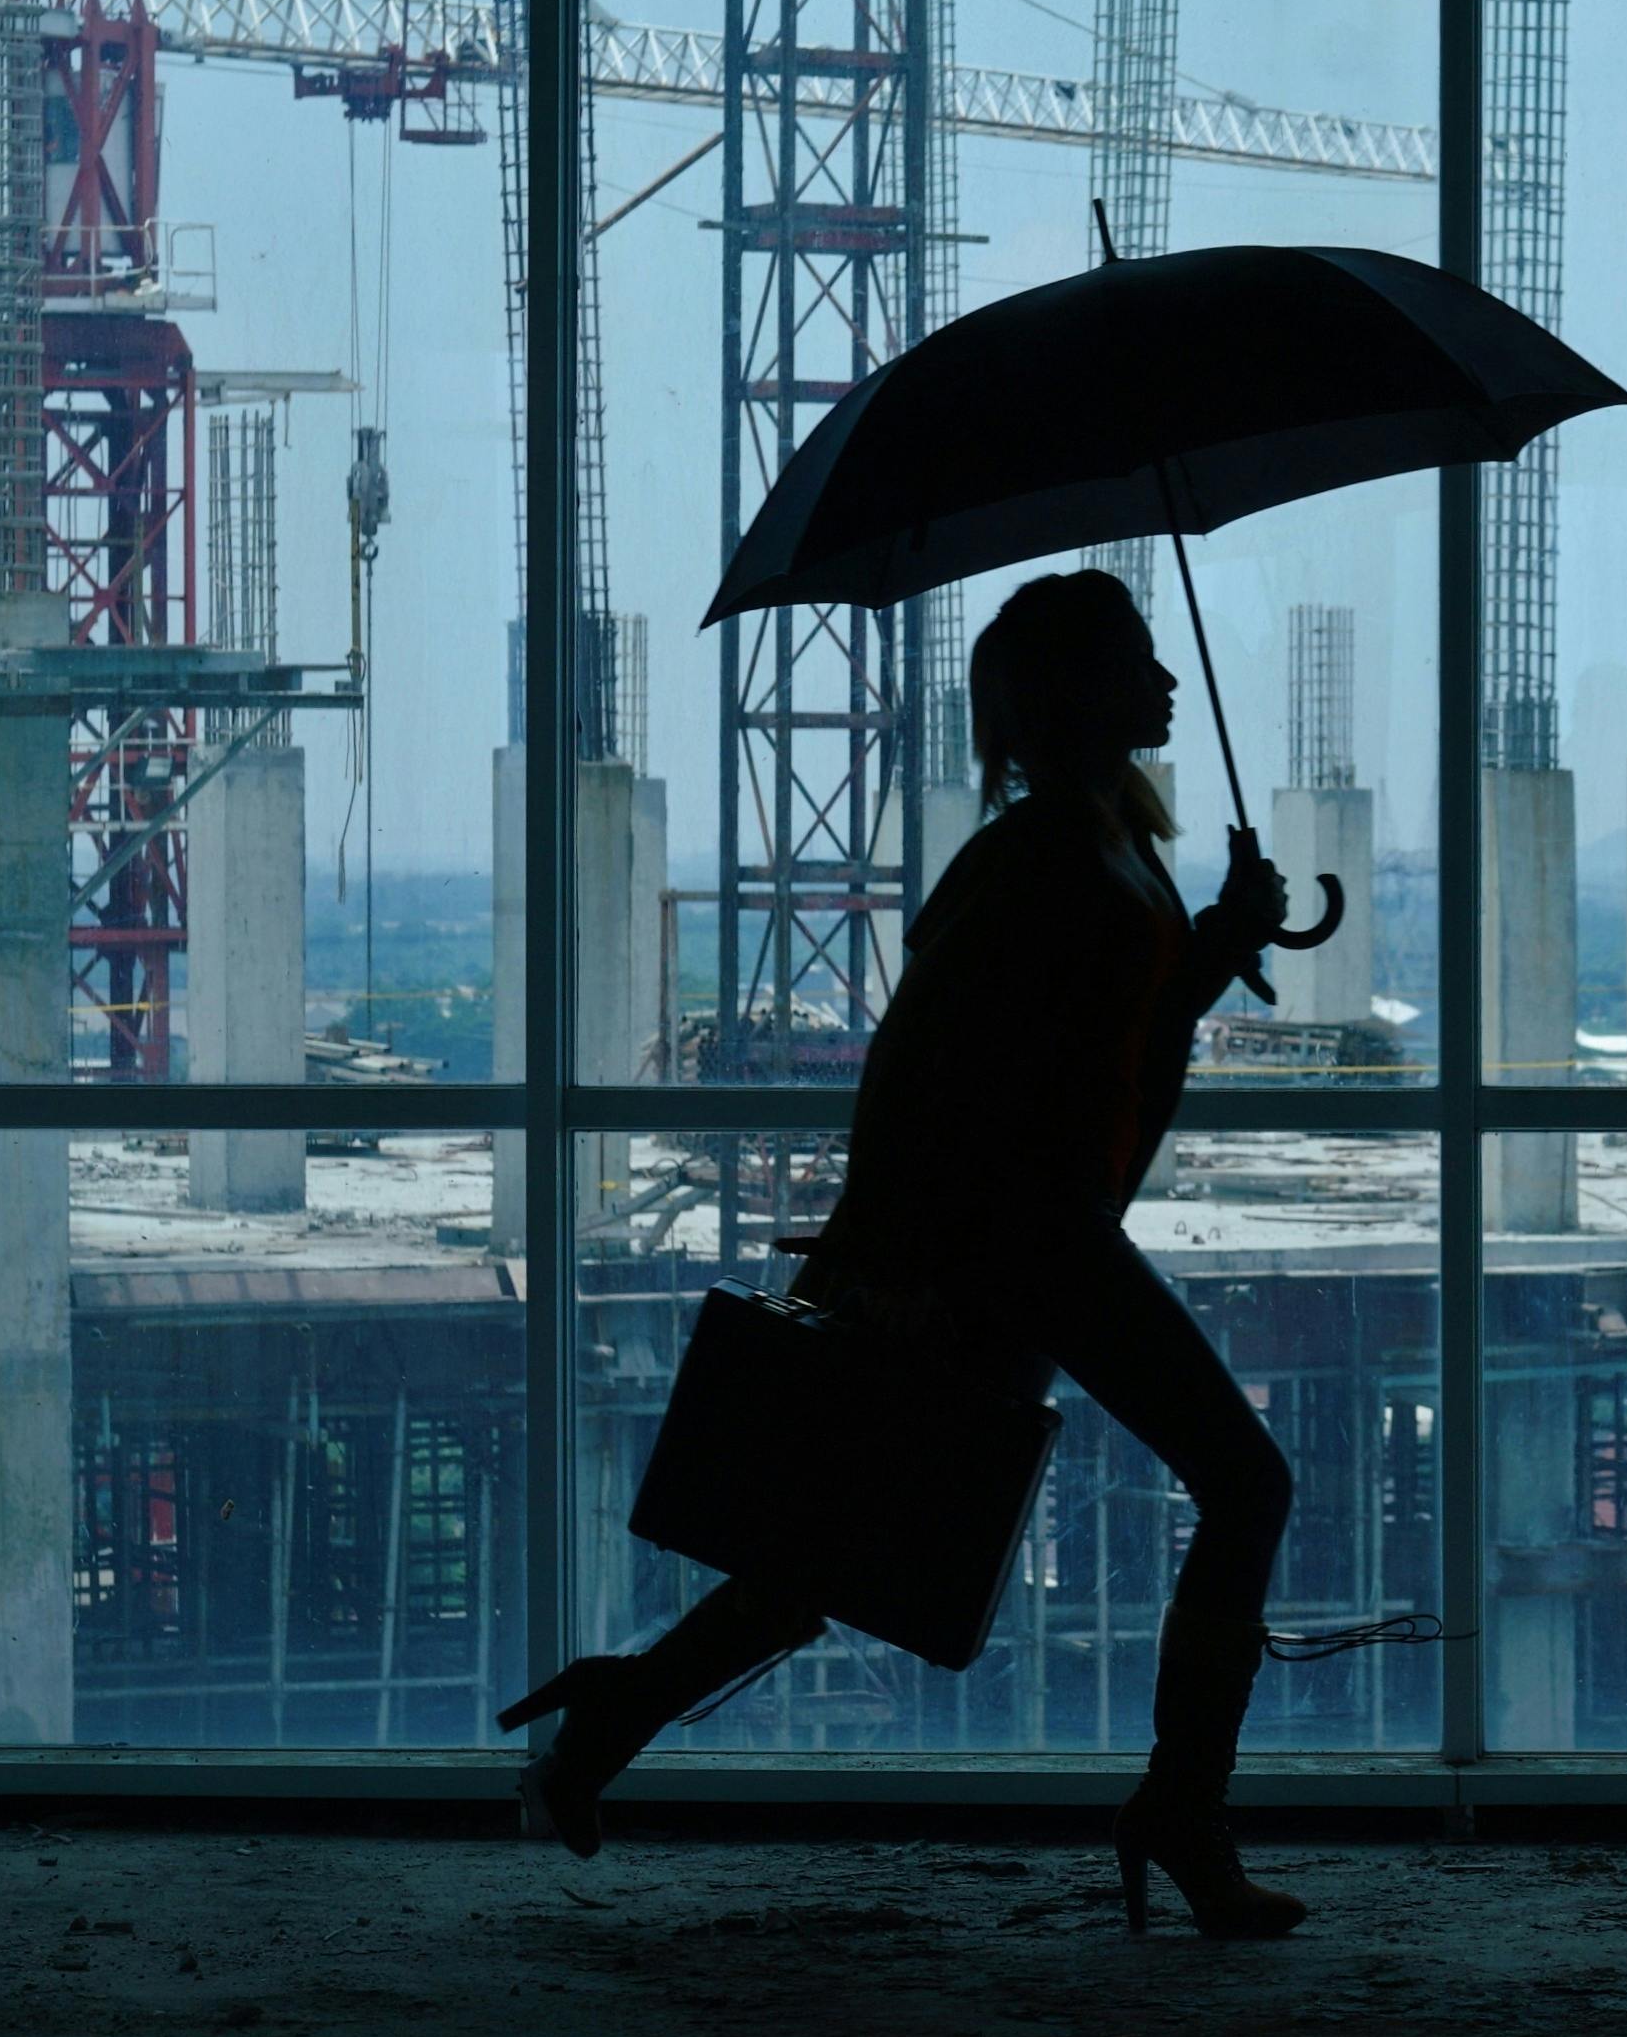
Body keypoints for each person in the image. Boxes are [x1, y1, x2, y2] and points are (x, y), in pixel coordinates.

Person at [502, 568, 1311, 1935]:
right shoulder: (1049, 857)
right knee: (1240, 1482)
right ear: (1080, 692)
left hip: (1022, 1244)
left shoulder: (1095, 841)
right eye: (1138, 659)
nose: (1169, 680)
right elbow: (950, 1080)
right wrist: (908, 1264)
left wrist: (1216, 942)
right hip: (1023, 1247)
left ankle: (615, 1714)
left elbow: (1102, 1056)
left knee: (849, 1542)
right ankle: (1181, 1810)